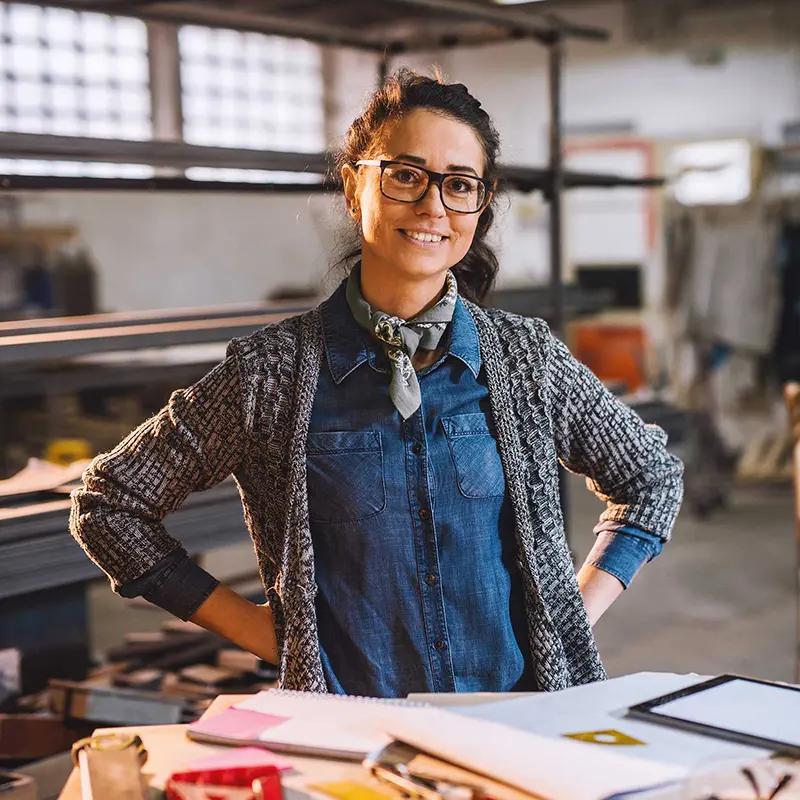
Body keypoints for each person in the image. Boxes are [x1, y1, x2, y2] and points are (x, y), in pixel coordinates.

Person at [70, 70, 683, 697]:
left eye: (459, 185)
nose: (432, 206)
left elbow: (651, 479)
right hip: (355, 730)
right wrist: (261, 631)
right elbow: (109, 505)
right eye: (406, 175)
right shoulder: (271, 373)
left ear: (481, 204)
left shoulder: (525, 359)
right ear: (352, 186)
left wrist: (568, 619)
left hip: (516, 719)